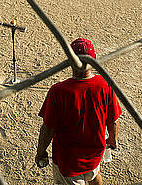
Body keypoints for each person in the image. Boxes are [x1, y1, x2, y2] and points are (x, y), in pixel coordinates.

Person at [35, 38, 122, 185]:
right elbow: (113, 120)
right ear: (93, 59)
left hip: (68, 162)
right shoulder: (104, 84)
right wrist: (112, 138)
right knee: (94, 175)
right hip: (95, 154)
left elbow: (48, 128)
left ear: (70, 60)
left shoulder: (58, 91)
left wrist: (41, 152)